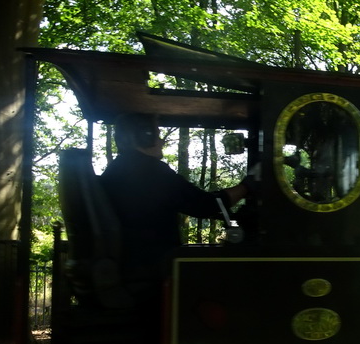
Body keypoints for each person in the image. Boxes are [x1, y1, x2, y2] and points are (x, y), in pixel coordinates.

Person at [100, 113, 251, 288]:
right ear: (145, 136)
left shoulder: (116, 170)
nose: (162, 141)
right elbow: (205, 205)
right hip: (152, 270)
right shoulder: (151, 172)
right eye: (157, 134)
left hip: (131, 266)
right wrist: (247, 186)